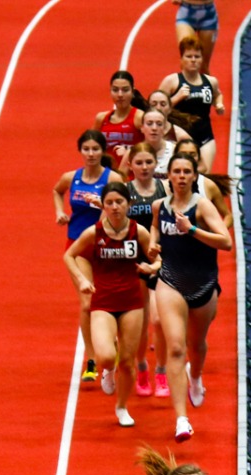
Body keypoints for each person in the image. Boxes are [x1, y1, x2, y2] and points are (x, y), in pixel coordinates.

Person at [64, 180, 158, 427]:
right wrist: (83, 279)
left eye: (119, 202)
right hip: (103, 301)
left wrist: (152, 266)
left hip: (132, 302)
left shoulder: (139, 232)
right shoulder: (94, 233)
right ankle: (107, 370)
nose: (115, 207)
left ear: (128, 204)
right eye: (109, 203)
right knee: (107, 357)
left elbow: (159, 258)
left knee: (127, 362)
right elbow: (69, 255)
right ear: (102, 206)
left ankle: (122, 407)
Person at [154, 151, 231, 442]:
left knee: (196, 345)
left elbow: (225, 242)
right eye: (178, 171)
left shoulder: (203, 206)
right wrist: (152, 246)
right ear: (169, 176)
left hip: (203, 285)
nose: (182, 176)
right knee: (175, 347)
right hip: (170, 282)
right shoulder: (159, 206)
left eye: (188, 171)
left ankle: (195, 376)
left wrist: (193, 229)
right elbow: (155, 231)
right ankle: (181, 419)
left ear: (195, 176)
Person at [53, 129, 112, 387]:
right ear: (81, 151)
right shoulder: (71, 178)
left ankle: (112, 345)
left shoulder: (113, 178)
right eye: (86, 149)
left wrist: (102, 206)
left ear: (103, 151)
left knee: (109, 299)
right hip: (77, 246)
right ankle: (91, 359)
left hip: (106, 245)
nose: (90, 154)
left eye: (95, 149)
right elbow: (56, 191)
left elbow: (123, 207)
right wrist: (60, 212)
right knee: (88, 303)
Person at [124, 144, 169, 398]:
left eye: (148, 163)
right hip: (134, 262)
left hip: (161, 259)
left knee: (159, 321)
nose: (144, 167)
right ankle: (142, 367)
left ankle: (161, 371)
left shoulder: (165, 189)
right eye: (138, 163)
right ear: (130, 165)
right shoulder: (126, 192)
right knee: (140, 324)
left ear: (155, 164)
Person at [158, 37, 224, 171]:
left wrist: (219, 104)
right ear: (181, 60)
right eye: (189, 56)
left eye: (197, 56)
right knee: (179, 173)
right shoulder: (171, 81)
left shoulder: (211, 81)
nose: (193, 60)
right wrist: (177, 97)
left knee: (204, 173)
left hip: (204, 135)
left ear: (202, 59)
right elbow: (156, 108)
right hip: (178, 135)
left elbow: (218, 94)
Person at [93, 69, 143, 173]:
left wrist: (130, 152)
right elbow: (92, 147)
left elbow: (153, 147)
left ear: (133, 92)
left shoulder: (140, 117)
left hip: (132, 177)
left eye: (125, 90)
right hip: (107, 177)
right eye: (115, 90)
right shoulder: (101, 118)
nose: (120, 94)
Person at [175, 0, 218, 71]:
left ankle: (205, 81)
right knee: (187, 61)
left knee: (203, 66)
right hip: (186, 13)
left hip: (208, 14)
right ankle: (184, 81)